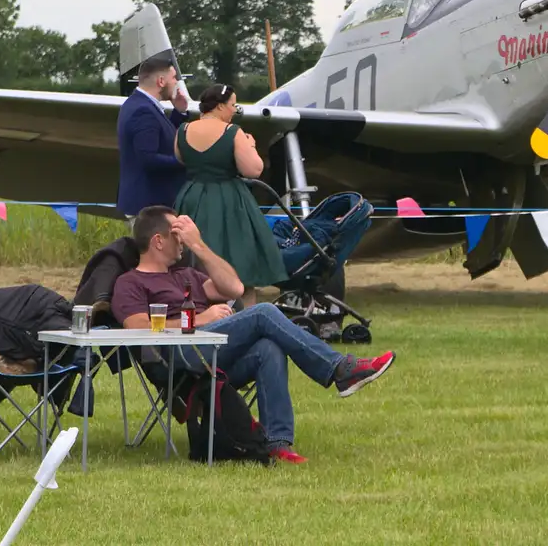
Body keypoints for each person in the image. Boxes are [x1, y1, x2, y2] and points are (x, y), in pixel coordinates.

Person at [111, 207, 395, 464]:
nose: (182, 239)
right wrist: (199, 320)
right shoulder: (130, 282)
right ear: (158, 241)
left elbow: (234, 287)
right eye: (177, 233)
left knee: (268, 348)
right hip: (180, 355)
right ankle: (339, 369)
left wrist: (200, 245)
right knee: (262, 312)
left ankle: (276, 442)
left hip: (213, 353)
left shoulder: (186, 274)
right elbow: (137, 327)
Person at [175, 84, 284, 308]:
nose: (235, 110)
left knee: (192, 261)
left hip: (192, 198)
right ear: (221, 106)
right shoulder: (232, 132)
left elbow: (181, 159)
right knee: (240, 264)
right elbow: (253, 170)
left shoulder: (183, 130)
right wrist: (250, 146)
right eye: (233, 105)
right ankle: (247, 317)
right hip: (229, 201)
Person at [117, 53, 192, 217]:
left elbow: (161, 139)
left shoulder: (138, 104)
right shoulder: (143, 111)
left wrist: (179, 113)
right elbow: (148, 158)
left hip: (149, 205)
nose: (176, 83)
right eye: (173, 78)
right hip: (150, 209)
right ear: (161, 81)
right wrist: (186, 161)